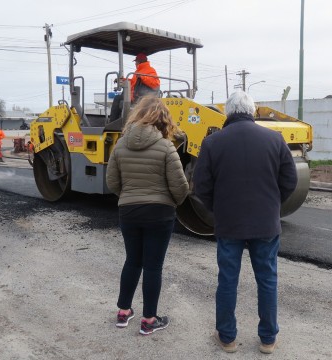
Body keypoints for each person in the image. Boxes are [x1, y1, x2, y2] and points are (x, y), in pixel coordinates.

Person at [193, 91, 298, 354]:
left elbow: (201, 186)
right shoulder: (275, 139)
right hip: (266, 224)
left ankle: (227, 338)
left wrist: (218, 209)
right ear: (252, 111)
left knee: (227, 279)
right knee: (267, 280)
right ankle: (267, 339)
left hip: (229, 224)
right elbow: (290, 181)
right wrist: (273, 205)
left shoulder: (212, 143)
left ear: (227, 113)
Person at [106, 95, 189, 335]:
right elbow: (180, 186)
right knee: (153, 266)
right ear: (163, 120)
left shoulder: (120, 145)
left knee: (132, 260)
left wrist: (129, 197)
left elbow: (112, 181)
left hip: (129, 211)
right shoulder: (166, 146)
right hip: (160, 213)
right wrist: (170, 202)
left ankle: (123, 312)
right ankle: (149, 320)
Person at [109, 53, 160, 122]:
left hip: (142, 97)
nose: (135, 64)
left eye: (136, 62)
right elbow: (133, 82)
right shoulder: (138, 71)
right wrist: (122, 80)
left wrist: (142, 77)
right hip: (134, 95)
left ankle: (112, 121)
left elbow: (156, 84)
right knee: (121, 96)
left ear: (139, 62)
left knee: (117, 98)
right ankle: (118, 121)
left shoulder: (150, 70)